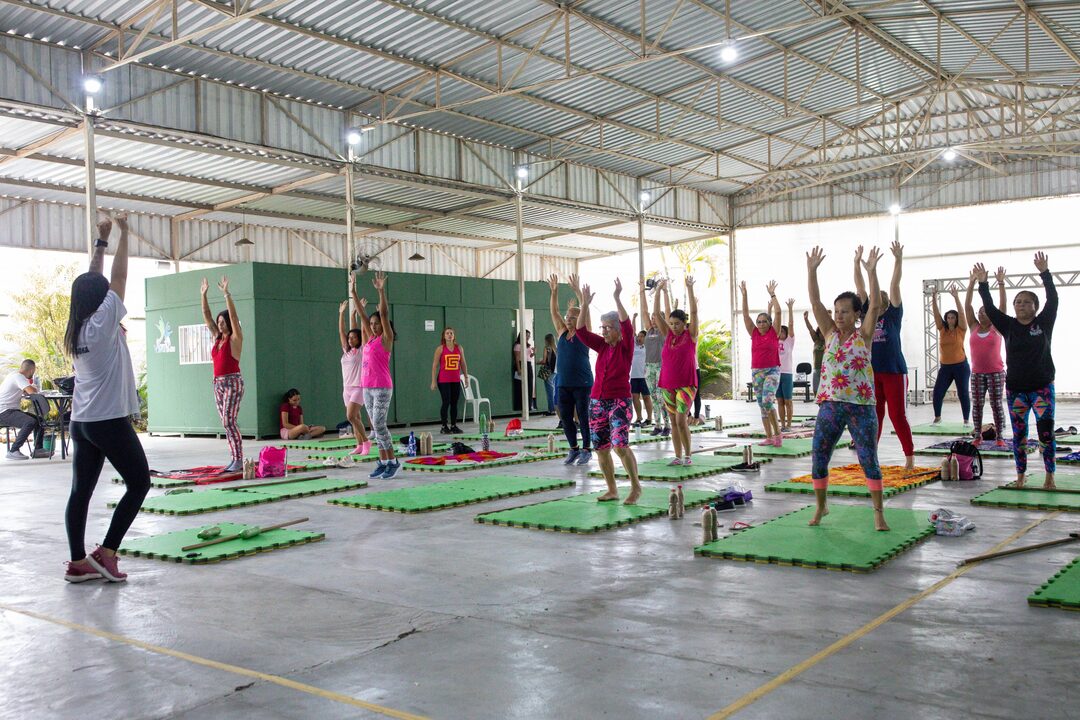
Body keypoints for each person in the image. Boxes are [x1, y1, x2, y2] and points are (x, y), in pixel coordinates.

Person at [62, 214, 150, 582]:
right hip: (106, 421)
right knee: (139, 483)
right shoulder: (103, 323)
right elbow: (118, 278)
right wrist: (125, 234)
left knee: (80, 491)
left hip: (81, 422)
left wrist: (102, 240)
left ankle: (78, 562)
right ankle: (108, 552)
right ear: (100, 300)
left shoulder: (78, 326)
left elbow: (93, 282)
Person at [807, 245, 889, 531]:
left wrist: (872, 272)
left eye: (844, 311)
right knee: (819, 456)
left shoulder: (863, 335)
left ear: (856, 314)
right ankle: (821, 507)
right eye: (836, 311)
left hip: (861, 407)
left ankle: (878, 513)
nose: (838, 315)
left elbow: (876, 305)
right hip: (830, 405)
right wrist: (812, 270)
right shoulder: (829, 334)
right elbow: (815, 302)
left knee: (869, 459)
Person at [975, 254, 1057, 490]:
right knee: (1019, 435)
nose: (1020, 305)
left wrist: (1045, 273)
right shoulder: (1008, 325)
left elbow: (1053, 299)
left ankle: (1049, 475)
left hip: (1042, 387)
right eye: (1017, 302)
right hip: (1016, 390)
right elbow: (989, 308)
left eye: (1026, 302)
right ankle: (1020, 475)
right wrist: (983, 284)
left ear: (1035, 307)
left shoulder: (1044, 322)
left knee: (1046, 433)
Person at [576, 279, 642, 504]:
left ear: (617, 330)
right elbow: (581, 332)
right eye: (601, 327)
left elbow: (627, 325)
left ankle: (635, 487)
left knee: (620, 445)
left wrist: (617, 297)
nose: (603, 331)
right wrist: (584, 304)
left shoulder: (626, 346)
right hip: (597, 402)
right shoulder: (602, 345)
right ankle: (612, 489)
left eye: (607, 328)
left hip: (619, 402)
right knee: (601, 448)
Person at [855, 241, 915, 470]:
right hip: (872, 373)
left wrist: (898, 260)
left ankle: (909, 457)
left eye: (879, 300)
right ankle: (872, 457)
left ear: (886, 303)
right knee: (874, 417)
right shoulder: (868, 318)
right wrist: (856, 264)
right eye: (872, 301)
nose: (875, 303)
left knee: (897, 415)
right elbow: (860, 288)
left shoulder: (893, 316)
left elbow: (894, 284)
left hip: (894, 371)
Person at [354, 271, 399, 479]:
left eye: (376, 324)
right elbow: (363, 316)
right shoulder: (370, 340)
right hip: (368, 387)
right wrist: (353, 292)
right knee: (375, 426)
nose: (373, 326)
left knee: (380, 423)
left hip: (382, 386)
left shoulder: (385, 339)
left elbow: (384, 314)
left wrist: (381, 291)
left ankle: (392, 461)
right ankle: (382, 461)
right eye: (371, 325)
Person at [548, 274, 594, 465]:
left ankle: (586, 449)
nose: (567, 319)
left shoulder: (584, 334)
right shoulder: (561, 333)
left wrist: (578, 292)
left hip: (582, 383)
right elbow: (554, 312)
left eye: (572, 317)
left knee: (583, 416)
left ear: (579, 319)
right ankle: (573, 449)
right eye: (567, 317)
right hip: (563, 382)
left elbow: (586, 311)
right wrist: (554, 291)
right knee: (566, 418)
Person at [653, 276, 699, 465]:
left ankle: (688, 456)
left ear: (684, 323)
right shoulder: (668, 335)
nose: (673, 327)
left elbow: (694, 312)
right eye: (671, 324)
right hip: (667, 384)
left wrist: (689, 288)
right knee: (672, 421)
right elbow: (656, 314)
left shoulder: (691, 335)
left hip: (687, 384)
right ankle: (677, 456)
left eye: (677, 324)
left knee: (681, 420)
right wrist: (657, 291)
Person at [200, 273, 244, 473]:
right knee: (226, 423)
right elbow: (206, 316)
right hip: (217, 383)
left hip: (233, 382)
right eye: (219, 322)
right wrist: (204, 295)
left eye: (223, 321)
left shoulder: (235, 339)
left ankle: (238, 459)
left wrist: (227, 294)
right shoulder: (218, 340)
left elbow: (234, 317)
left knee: (229, 420)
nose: (220, 324)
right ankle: (234, 457)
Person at [964, 267, 1008, 446]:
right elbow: (967, 306)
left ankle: (1000, 437)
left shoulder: (996, 327)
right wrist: (971, 283)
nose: (981, 313)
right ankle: (977, 436)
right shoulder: (973, 327)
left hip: (996, 373)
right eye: (980, 312)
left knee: (997, 405)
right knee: (977, 406)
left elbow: (1003, 306)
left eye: (985, 311)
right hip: (977, 373)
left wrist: (1001, 283)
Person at [740, 280, 783, 446]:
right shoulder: (754, 333)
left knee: (767, 400)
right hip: (756, 371)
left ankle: (778, 434)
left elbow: (778, 312)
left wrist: (773, 294)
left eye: (764, 321)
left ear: (770, 323)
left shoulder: (774, 332)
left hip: (772, 370)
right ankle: (769, 436)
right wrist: (744, 295)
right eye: (759, 321)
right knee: (761, 405)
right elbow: (745, 315)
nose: (760, 324)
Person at [930, 285, 971, 425]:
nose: (950, 319)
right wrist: (934, 299)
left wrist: (956, 297)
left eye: (953, 317)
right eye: (948, 317)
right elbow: (936, 315)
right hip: (946, 367)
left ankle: (966, 420)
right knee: (937, 392)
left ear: (956, 319)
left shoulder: (961, 329)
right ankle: (937, 417)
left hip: (961, 366)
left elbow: (962, 313)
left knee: (963, 393)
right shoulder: (942, 330)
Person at [338, 294, 370, 456]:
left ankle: (366, 442)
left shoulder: (361, 351)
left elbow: (360, 328)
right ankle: (359, 444)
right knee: (355, 418)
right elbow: (343, 331)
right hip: (347, 388)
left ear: (359, 339)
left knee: (350, 416)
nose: (350, 340)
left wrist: (358, 312)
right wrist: (342, 313)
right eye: (349, 338)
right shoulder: (347, 352)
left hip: (359, 387)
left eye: (353, 337)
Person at [1, 359, 46, 460]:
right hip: (4, 411)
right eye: (34, 371)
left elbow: (25, 391)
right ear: (31, 370)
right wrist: (32, 388)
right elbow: (31, 391)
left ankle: (38, 450)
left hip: (10, 410)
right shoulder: (18, 377)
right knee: (30, 422)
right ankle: (13, 451)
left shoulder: (13, 375)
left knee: (40, 420)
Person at [641, 281, 669, 437]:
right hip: (648, 367)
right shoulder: (649, 330)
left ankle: (667, 425)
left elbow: (659, 311)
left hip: (660, 367)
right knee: (653, 397)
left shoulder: (664, 332)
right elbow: (644, 311)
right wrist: (641, 292)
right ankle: (657, 425)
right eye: (652, 318)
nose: (652, 319)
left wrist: (662, 292)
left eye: (655, 317)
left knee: (661, 397)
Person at [430, 326, 468, 434]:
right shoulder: (440, 349)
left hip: (455, 380)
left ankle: (454, 425)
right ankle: (444, 426)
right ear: (444, 336)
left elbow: (463, 363)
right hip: (443, 380)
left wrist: (466, 378)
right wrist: (433, 381)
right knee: (446, 402)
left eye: (451, 333)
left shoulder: (459, 348)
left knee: (454, 403)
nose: (449, 335)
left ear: (454, 336)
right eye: (447, 333)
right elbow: (434, 366)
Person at [776, 298, 797, 431]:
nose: (781, 333)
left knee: (788, 401)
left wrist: (789, 309)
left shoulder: (789, 341)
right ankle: (782, 424)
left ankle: (789, 424)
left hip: (787, 374)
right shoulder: (774, 341)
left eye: (783, 331)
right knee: (779, 401)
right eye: (780, 332)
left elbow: (790, 324)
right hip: (776, 374)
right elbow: (772, 325)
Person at [630, 328, 653, 426]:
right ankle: (639, 417)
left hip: (644, 377)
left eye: (642, 336)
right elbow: (631, 331)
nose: (639, 338)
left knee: (646, 397)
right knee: (635, 397)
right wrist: (634, 319)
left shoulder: (648, 347)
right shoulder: (634, 345)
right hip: (634, 376)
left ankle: (649, 418)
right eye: (638, 336)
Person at [512, 330, 538, 413]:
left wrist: (534, 353)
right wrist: (519, 369)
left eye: (529, 336)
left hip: (528, 364)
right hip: (521, 364)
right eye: (527, 335)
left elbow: (529, 356)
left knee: (530, 384)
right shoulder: (518, 345)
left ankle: (529, 405)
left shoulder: (528, 345)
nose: (528, 337)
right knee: (520, 386)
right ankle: (520, 406)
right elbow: (517, 358)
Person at [803, 310, 826, 396]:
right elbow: (810, 329)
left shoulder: (830, 340)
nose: (822, 334)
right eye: (820, 333)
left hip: (826, 369)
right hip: (816, 369)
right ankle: (820, 407)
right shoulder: (816, 341)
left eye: (823, 332)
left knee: (825, 392)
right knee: (816, 392)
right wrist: (806, 319)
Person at [540, 333, 557, 418]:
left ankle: (551, 410)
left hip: (548, 371)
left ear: (546, 340)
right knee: (553, 391)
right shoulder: (556, 348)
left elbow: (544, 361)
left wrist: (538, 362)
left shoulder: (547, 348)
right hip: (555, 371)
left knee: (549, 391)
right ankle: (553, 409)